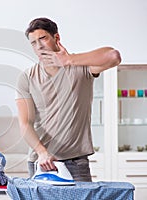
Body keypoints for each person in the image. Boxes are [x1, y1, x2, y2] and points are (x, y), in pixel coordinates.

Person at [15, 17, 121, 181]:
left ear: (56, 38)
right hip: (41, 162)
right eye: (33, 43)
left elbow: (113, 56)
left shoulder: (81, 68)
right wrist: (42, 152)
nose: (39, 46)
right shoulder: (27, 77)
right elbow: (25, 123)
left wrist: (69, 60)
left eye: (43, 38)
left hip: (76, 164)